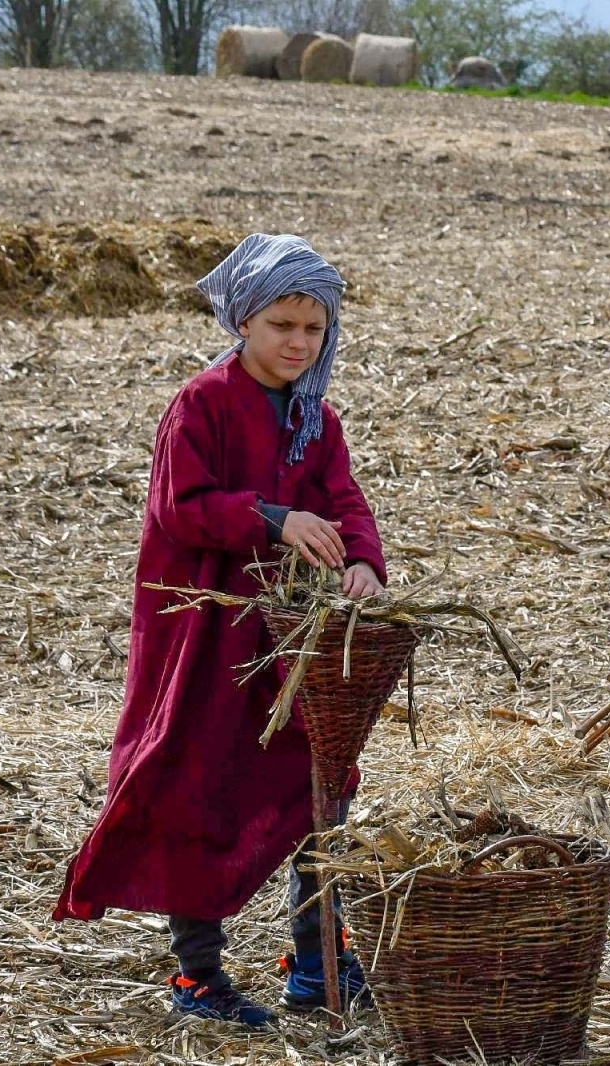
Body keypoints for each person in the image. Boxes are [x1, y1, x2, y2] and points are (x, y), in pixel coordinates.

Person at [53, 234, 388, 1027]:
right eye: (282, 325)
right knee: (194, 786)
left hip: (286, 639)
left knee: (319, 788)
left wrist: (364, 561)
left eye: (314, 328)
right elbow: (181, 506)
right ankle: (197, 974)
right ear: (243, 320)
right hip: (203, 634)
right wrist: (274, 519)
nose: (299, 343)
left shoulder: (316, 417)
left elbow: (344, 501)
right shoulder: (201, 403)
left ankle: (315, 961)